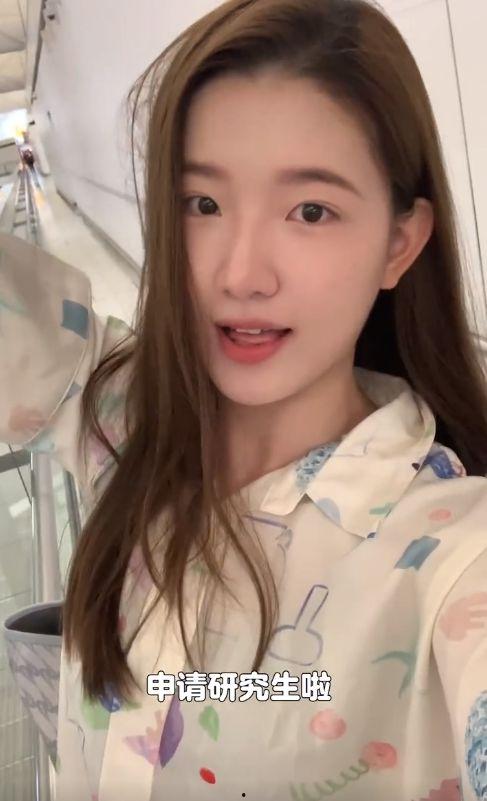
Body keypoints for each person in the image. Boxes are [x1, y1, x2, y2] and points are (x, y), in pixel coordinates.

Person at [1, 0, 487, 799]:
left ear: (398, 243)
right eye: (202, 204)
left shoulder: (448, 553)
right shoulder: (125, 417)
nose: (240, 274)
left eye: (309, 211)